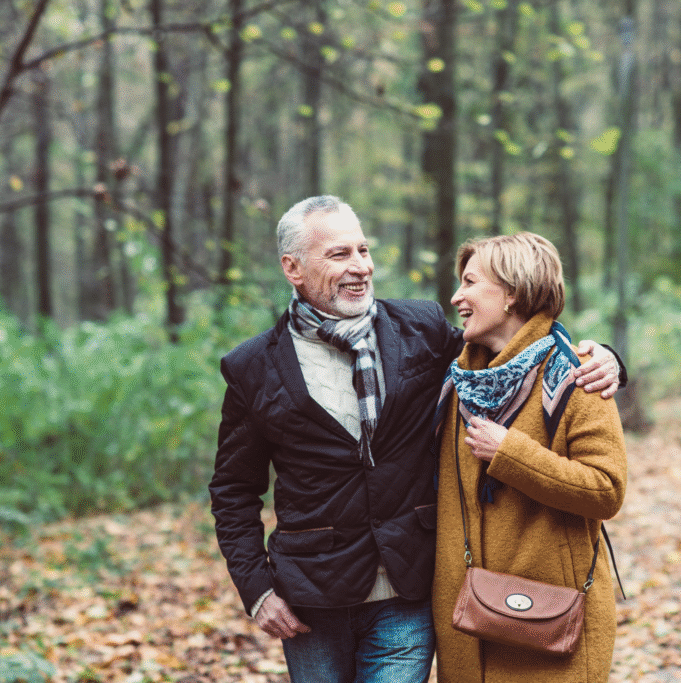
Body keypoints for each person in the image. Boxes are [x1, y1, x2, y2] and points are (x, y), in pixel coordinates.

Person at [209, 196, 624, 683]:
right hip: (311, 599)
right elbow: (234, 490)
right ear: (293, 268)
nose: (361, 267)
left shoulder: (421, 330)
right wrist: (257, 588)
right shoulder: (252, 366)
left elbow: (515, 350)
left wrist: (605, 357)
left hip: (409, 592)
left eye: (363, 250)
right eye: (340, 255)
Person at [431, 232, 627, 683]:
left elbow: (607, 490)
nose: (456, 296)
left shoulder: (576, 375)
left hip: (548, 628)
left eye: (469, 282)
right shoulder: (455, 379)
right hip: (464, 631)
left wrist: (511, 454)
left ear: (512, 293)